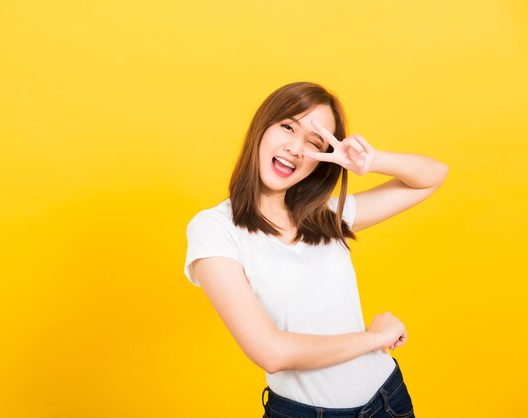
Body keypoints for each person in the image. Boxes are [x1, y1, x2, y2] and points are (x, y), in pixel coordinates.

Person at [183, 81, 448, 418]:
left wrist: (371, 160)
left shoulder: (324, 214)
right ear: (262, 129)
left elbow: (433, 176)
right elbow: (270, 351)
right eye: (288, 127)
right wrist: (374, 338)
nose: (296, 148)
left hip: (387, 399)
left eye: (314, 142)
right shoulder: (215, 228)